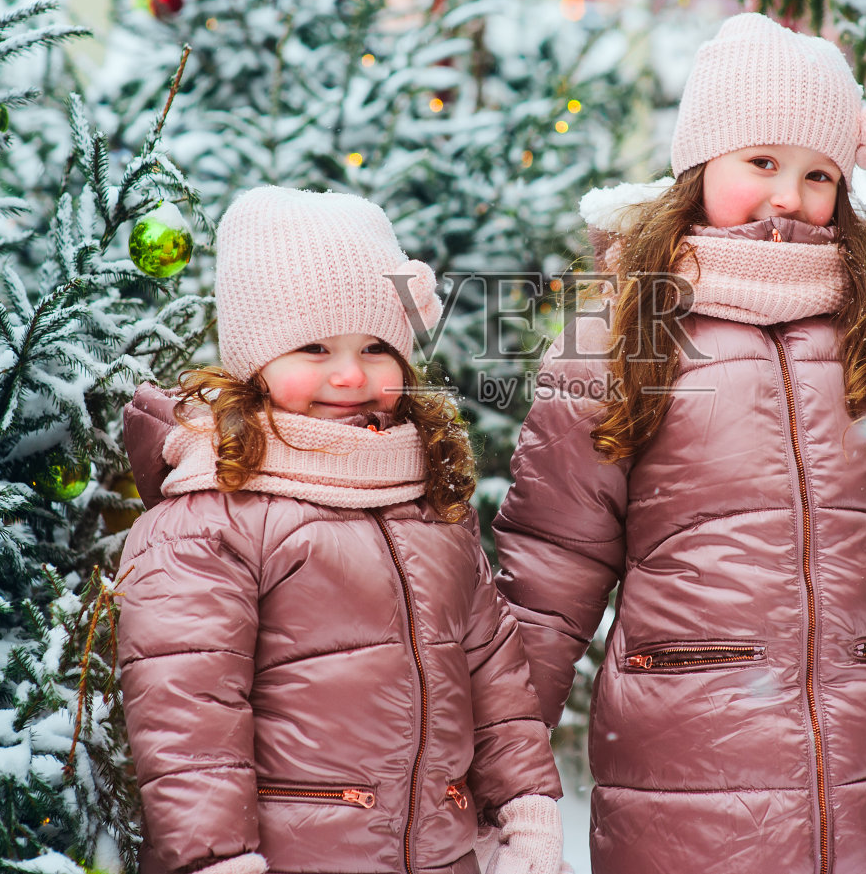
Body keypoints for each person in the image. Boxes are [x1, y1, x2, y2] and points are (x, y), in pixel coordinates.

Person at [492, 13, 866, 874]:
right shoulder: (621, 338)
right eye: (762, 162)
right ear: (699, 165)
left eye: (818, 173)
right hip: (692, 779)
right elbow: (548, 568)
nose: (788, 195)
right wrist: (504, 774)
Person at [115, 188, 565, 874]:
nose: (351, 374)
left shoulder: (428, 499)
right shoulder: (212, 513)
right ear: (255, 360)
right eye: (315, 346)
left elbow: (493, 674)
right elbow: (189, 711)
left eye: (377, 347)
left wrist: (525, 806)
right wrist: (218, 858)